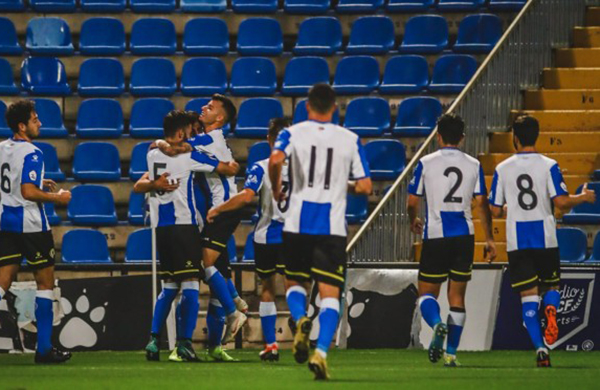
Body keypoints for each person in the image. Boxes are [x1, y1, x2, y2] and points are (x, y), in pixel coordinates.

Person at [268, 84, 372, 380]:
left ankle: (301, 319)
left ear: (307, 108)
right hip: (331, 227)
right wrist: (344, 184)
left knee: (294, 284)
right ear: (335, 109)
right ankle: (321, 351)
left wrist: (277, 187)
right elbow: (365, 186)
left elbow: (276, 160)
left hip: (297, 223)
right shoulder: (350, 139)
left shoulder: (292, 132)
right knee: (330, 295)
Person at [489, 115, 595, 367]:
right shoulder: (549, 165)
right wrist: (581, 197)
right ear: (536, 136)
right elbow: (560, 202)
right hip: (545, 237)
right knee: (552, 288)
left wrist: (510, 208)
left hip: (518, 240)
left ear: (515, 137)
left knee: (527, 297)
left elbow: (494, 210)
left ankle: (540, 349)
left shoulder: (503, 168)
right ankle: (551, 310)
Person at [135, 110, 238, 362]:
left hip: (161, 228)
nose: (192, 133)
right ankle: (184, 343)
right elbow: (226, 169)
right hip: (184, 225)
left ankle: (152, 341)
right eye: (189, 131)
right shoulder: (189, 155)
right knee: (191, 284)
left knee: (169, 286)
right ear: (181, 132)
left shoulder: (152, 154)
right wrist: (229, 163)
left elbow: (143, 179)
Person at [407, 113, 496, 367]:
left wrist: (412, 219)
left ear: (438, 137)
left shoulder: (426, 162)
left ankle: (436, 325)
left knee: (426, 294)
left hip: (435, 235)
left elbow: (412, 201)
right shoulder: (474, 164)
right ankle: (452, 354)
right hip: (464, 236)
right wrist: (489, 238)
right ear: (463, 138)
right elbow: (482, 203)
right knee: (457, 297)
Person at [207, 117, 291, 362]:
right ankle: (300, 328)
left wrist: (219, 209)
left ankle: (271, 345)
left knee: (267, 289)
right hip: (296, 236)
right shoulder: (303, 167)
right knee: (294, 287)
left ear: (269, 139)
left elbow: (246, 197)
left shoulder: (262, 166)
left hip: (267, 236)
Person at [0, 100, 72, 363]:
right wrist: (59, 197)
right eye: (34, 119)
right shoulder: (33, 152)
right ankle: (43, 349)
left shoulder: (2, 148)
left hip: (5, 223)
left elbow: (10, 181)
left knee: (2, 282)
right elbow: (27, 192)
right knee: (44, 284)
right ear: (22, 126)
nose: (39, 123)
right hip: (31, 226)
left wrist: (38, 182)